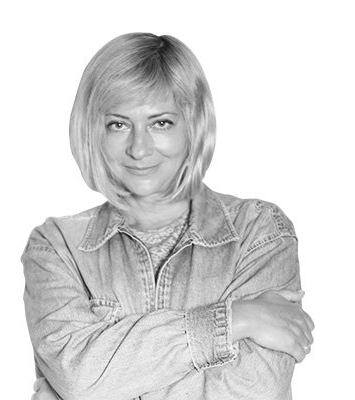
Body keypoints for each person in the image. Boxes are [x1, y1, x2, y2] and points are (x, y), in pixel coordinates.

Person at [22, 32, 314, 400]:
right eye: (118, 124)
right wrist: (233, 320)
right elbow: (76, 378)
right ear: (92, 132)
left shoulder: (259, 232)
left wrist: (99, 381)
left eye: (160, 123)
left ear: (193, 125)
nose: (139, 148)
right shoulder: (57, 248)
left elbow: (255, 391)